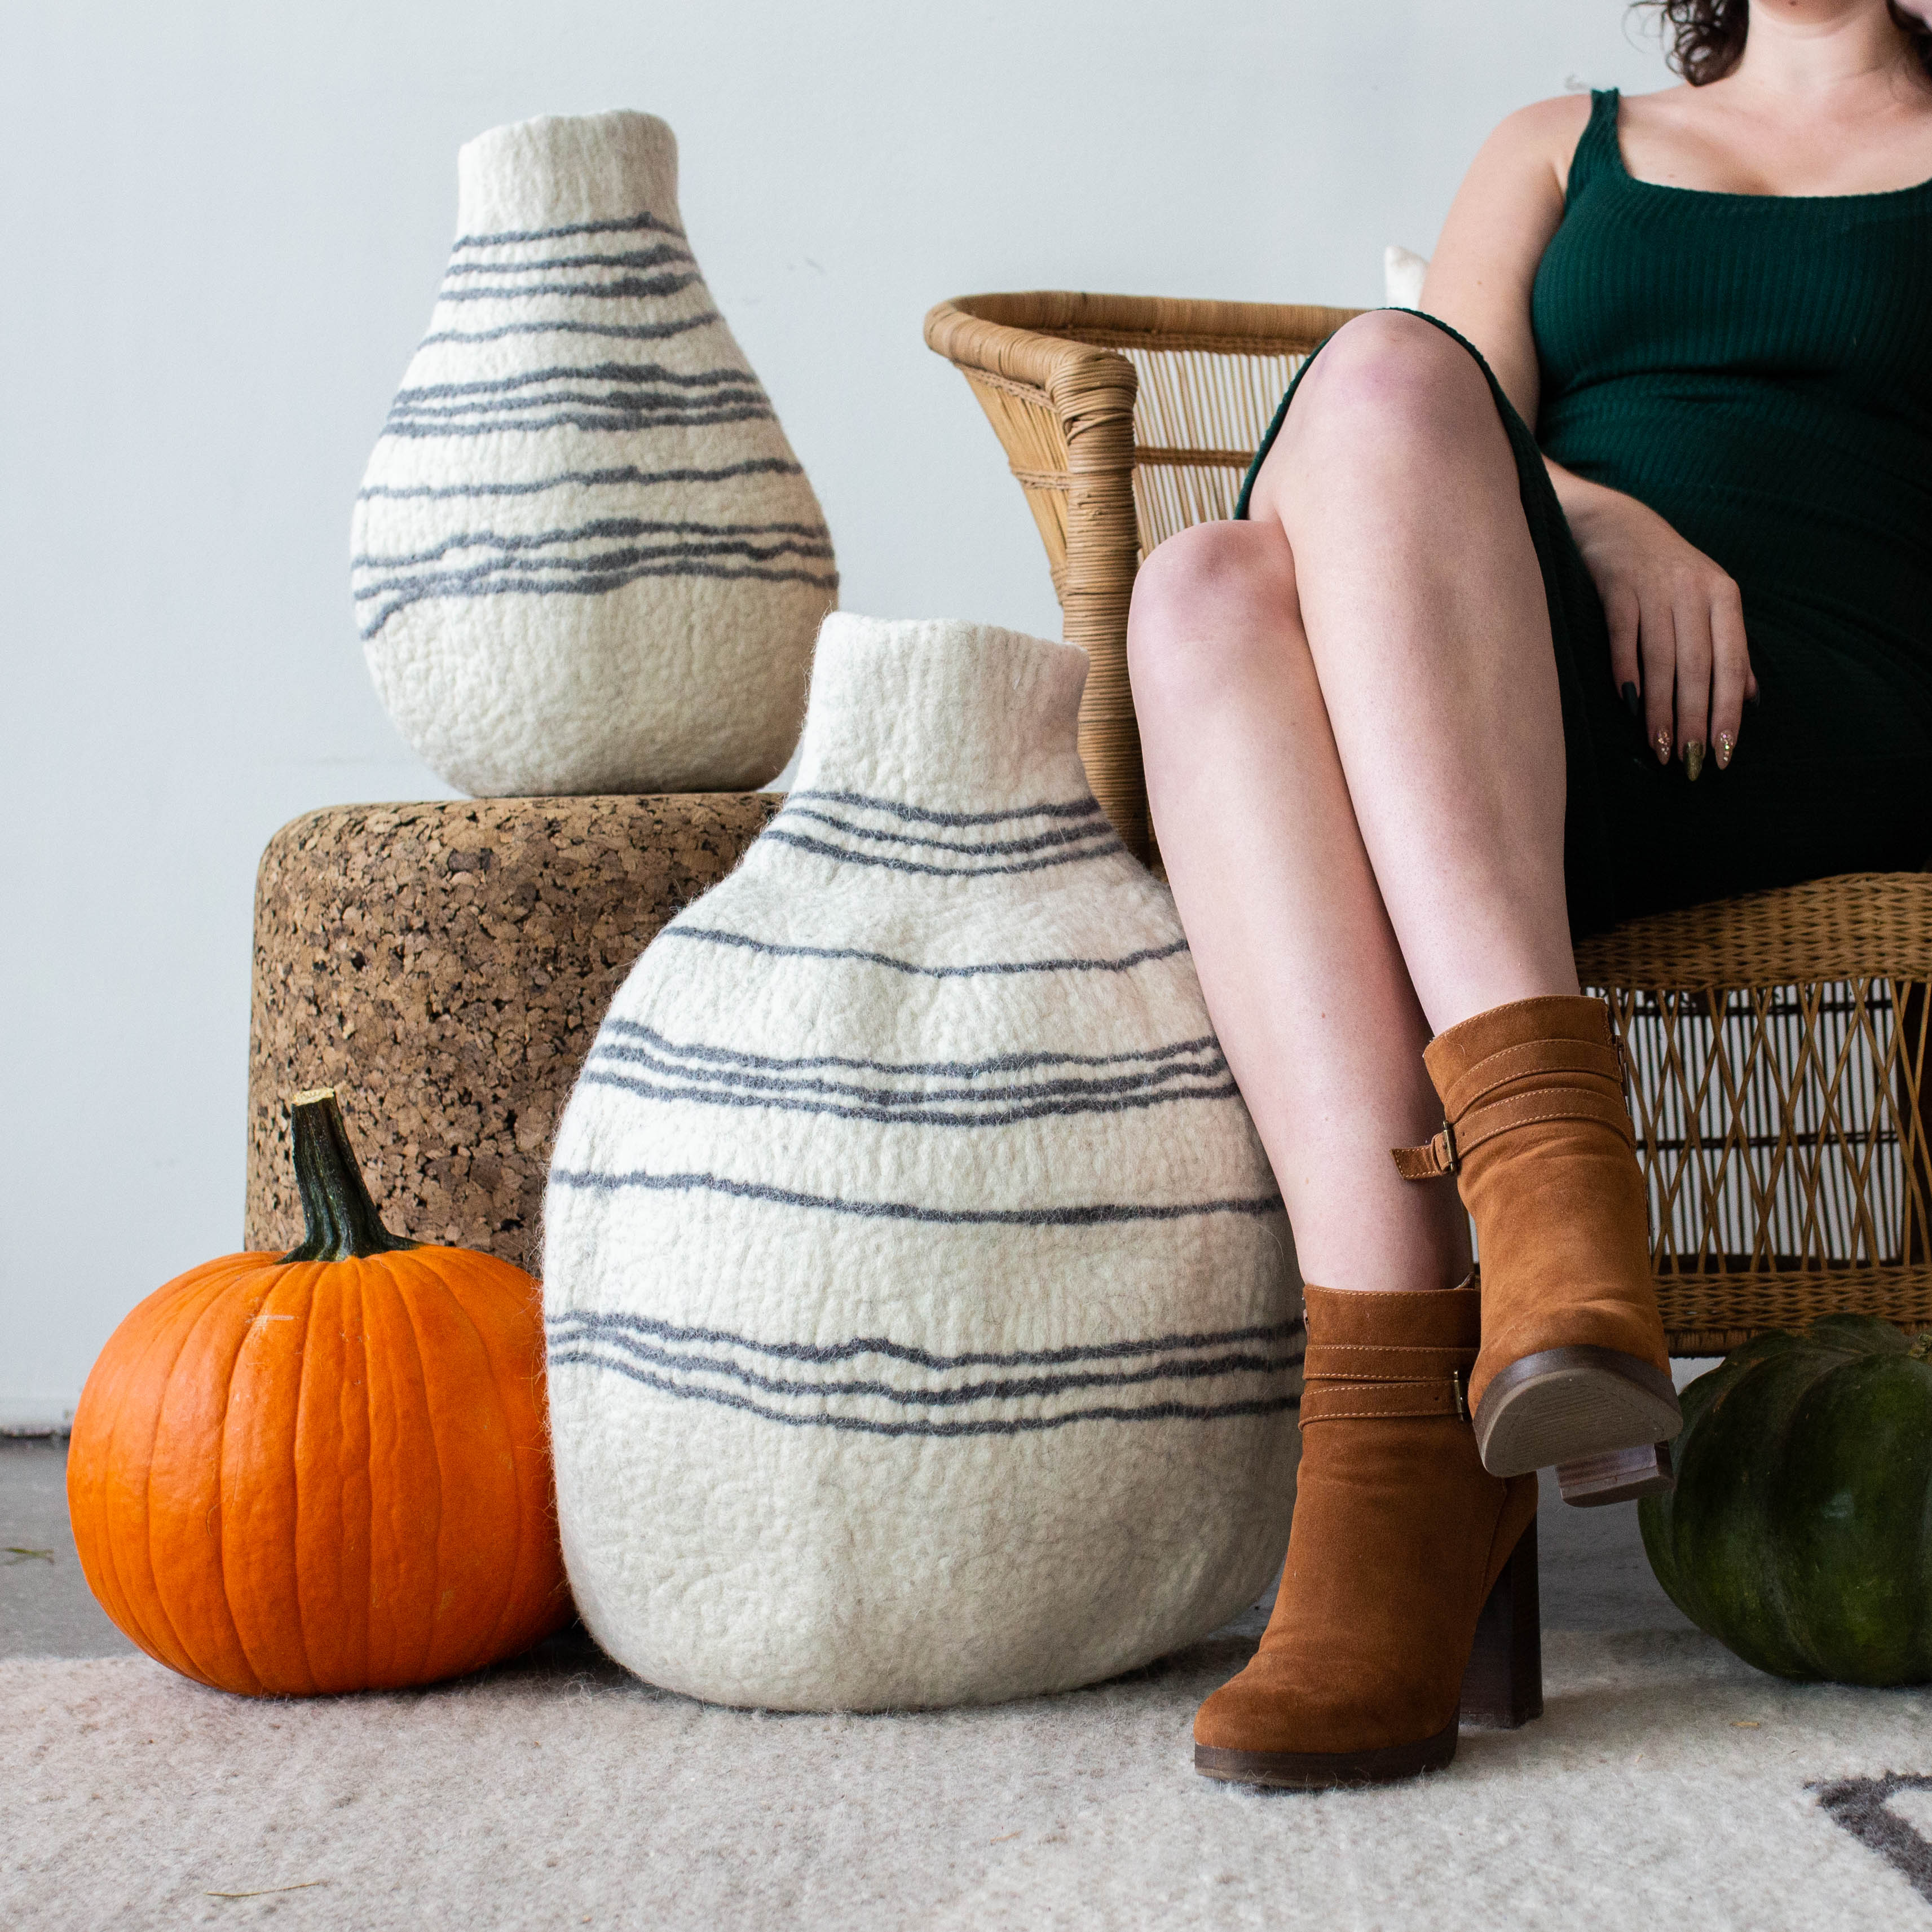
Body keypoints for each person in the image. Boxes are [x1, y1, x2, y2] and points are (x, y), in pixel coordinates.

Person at [1125, 0, 1932, 1789]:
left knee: (1308, 476)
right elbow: (1434, 425)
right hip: (1508, 706)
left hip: (1818, 702)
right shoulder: (1560, 147)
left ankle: (1496, 1317)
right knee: (1219, 574)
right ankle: (1437, 1386)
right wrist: (1606, 522)